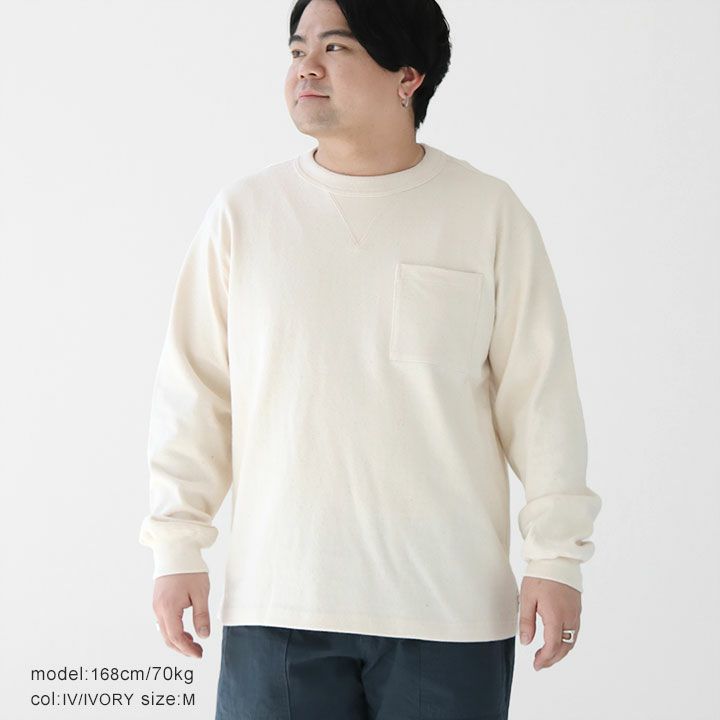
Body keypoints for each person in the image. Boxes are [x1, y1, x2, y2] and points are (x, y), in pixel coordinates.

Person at [138, 0, 602, 717]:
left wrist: (556, 558)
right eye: (297, 50)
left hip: (448, 611)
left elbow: (540, 399)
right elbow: (195, 396)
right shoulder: (245, 215)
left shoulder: (486, 212)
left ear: (407, 76)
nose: (306, 68)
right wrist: (177, 548)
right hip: (279, 605)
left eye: (336, 48)